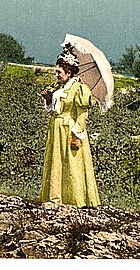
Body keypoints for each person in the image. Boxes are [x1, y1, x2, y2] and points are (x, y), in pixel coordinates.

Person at [39, 52, 100, 207]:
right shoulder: (60, 88)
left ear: (69, 72)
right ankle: (55, 197)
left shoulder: (79, 89)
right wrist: (48, 99)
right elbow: (54, 110)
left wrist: (76, 136)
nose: (56, 75)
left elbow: (82, 115)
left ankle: (75, 200)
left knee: (71, 164)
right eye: (56, 72)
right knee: (56, 163)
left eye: (59, 72)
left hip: (69, 130)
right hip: (56, 129)